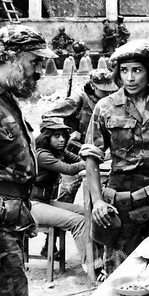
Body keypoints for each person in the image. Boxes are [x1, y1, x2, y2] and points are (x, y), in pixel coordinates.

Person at [80, 40, 149, 274]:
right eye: (124, 70)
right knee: (121, 269)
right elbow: (92, 156)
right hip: (124, 199)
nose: (130, 78)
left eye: (137, 70)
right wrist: (97, 200)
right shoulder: (105, 107)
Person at [0, 25, 57, 296]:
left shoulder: (3, 96)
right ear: (11, 57)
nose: (39, 70)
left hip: (6, 223)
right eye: (35, 61)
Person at [30, 118, 104, 278]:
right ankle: (93, 269)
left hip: (46, 202)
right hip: (32, 205)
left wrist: (91, 158)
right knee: (79, 222)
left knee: (88, 213)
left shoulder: (59, 152)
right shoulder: (41, 154)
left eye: (63, 135)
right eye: (56, 136)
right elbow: (70, 169)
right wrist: (93, 159)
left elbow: (79, 160)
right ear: (46, 137)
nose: (62, 139)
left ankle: (101, 260)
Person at [43, 68, 118, 203]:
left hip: (96, 154)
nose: (108, 93)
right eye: (104, 90)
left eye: (110, 90)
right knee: (69, 189)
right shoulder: (79, 100)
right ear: (93, 86)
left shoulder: (109, 103)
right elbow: (48, 116)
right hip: (72, 152)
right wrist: (66, 132)